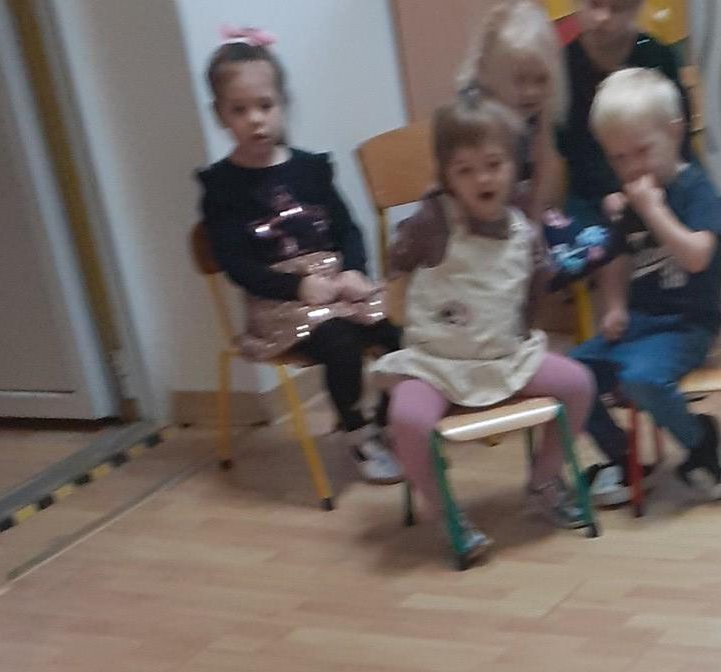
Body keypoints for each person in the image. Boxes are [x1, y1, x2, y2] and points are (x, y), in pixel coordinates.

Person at [374, 95, 596, 563]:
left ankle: (543, 481)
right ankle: (444, 512)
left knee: (579, 384)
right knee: (407, 419)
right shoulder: (435, 221)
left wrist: (525, 329)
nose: (483, 179)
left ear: (513, 167)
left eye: (494, 165)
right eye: (466, 170)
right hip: (435, 364)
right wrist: (392, 291)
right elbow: (399, 260)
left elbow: (535, 289)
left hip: (504, 359)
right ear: (446, 178)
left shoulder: (523, 231)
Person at [196, 34, 403, 483]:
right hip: (279, 303)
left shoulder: (311, 169)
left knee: (397, 334)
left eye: (265, 106)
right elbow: (235, 263)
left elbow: (348, 229)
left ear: (282, 104)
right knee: (341, 345)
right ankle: (357, 432)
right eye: (239, 110)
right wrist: (296, 287)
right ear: (220, 116)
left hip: (336, 284)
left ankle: (389, 421)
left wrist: (354, 270)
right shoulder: (222, 188)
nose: (255, 119)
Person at [570, 68, 721, 507]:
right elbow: (618, 259)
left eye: (642, 151)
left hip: (686, 324)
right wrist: (615, 306)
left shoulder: (695, 189)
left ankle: (700, 441)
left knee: (640, 380)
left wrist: (654, 212)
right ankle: (622, 458)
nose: (632, 168)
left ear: (675, 131)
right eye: (619, 159)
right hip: (639, 324)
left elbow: (697, 257)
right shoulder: (629, 201)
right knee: (571, 376)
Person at [558, 0, 692, 222]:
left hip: (661, 182)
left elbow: (678, 137)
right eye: (595, 4)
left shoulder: (655, 56)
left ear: (635, 8)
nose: (603, 17)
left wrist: (652, 187)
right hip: (591, 196)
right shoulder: (564, 65)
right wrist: (607, 196)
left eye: (616, 8)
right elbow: (571, 150)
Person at [458, 0, 564, 217]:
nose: (531, 92)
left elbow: (543, 164)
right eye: (519, 80)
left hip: (519, 207)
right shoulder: (472, 115)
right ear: (486, 73)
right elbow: (465, 184)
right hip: (472, 210)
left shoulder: (539, 109)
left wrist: (534, 220)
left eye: (541, 79)